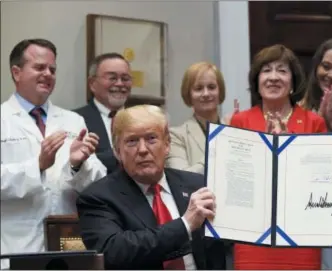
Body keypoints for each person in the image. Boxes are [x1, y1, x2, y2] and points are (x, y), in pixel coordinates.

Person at [229, 44, 332, 270]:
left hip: (301, 241)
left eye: (282, 71)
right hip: (252, 240)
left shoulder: (313, 122)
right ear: (256, 80)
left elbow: (323, 183)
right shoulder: (240, 121)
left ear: (293, 81)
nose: (273, 77)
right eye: (266, 70)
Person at [76, 105, 226, 270]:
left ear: (167, 145)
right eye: (132, 141)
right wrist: (184, 225)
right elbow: (114, 252)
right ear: (117, 152)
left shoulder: (197, 186)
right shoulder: (97, 197)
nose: (142, 150)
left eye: (151, 139)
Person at [1, 39, 107, 269]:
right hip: (14, 245)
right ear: (16, 72)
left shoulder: (73, 121)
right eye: (40, 67)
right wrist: (37, 166)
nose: (48, 74)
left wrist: (78, 165)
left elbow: (99, 182)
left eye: (52, 69)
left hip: (67, 244)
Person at [166, 61, 238, 174]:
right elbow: (182, 178)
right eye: (198, 88)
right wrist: (217, 150)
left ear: (220, 92)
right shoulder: (176, 136)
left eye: (211, 87)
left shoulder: (235, 130)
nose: (206, 94)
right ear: (188, 94)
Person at [74, 53, 132, 172]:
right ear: (92, 84)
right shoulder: (74, 119)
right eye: (112, 78)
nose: (120, 84)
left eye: (125, 78)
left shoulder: (142, 118)